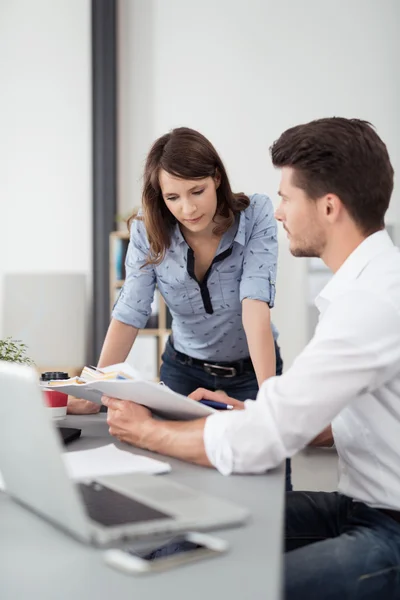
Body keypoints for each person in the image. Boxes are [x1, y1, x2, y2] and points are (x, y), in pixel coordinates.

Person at [102, 117, 400, 600]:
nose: (278, 212)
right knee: (171, 548)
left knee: (227, 585)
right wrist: (261, 413)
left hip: (390, 528)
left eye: (286, 197)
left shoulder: (372, 304)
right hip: (356, 504)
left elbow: (267, 437)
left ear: (328, 207)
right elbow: (348, 423)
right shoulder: (366, 288)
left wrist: (148, 430)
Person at [68, 126, 291, 490]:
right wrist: (96, 389)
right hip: (182, 373)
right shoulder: (148, 230)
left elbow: (255, 306)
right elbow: (130, 312)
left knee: (268, 488)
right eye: (173, 197)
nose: (187, 208)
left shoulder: (256, 214)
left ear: (216, 177)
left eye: (197, 191)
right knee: (176, 484)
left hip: (253, 372)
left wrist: (268, 405)